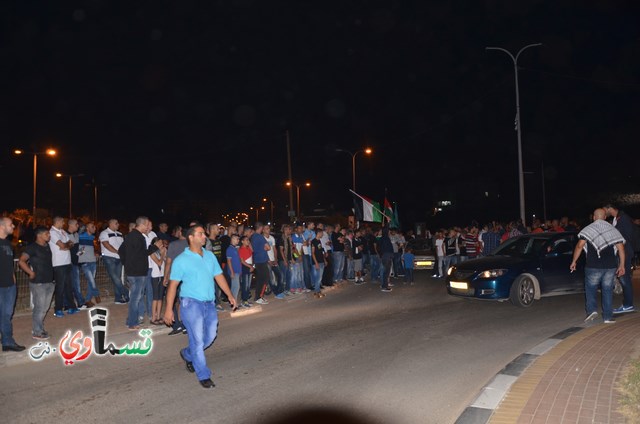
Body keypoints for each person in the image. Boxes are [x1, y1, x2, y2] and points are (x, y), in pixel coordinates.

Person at [163, 225, 237, 389]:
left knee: (210, 337)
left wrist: (230, 295)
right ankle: (203, 375)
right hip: (191, 304)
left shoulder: (210, 256)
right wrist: (168, 309)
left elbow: (218, 276)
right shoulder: (181, 260)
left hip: (209, 303)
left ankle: (187, 354)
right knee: (197, 340)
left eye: (204, 233)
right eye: (201, 234)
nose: (205, 236)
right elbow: (173, 286)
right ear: (191, 237)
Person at [570, 208, 626, 324]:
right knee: (607, 290)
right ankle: (607, 317)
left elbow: (580, 246)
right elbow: (621, 249)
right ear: (605, 217)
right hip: (610, 266)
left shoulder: (588, 230)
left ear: (594, 217)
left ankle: (591, 311)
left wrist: (574, 261)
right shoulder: (612, 230)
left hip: (593, 265)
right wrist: (622, 265)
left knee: (590, 289)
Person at [18, 226, 55, 340]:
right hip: (38, 283)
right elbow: (21, 261)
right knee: (39, 308)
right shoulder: (32, 247)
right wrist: (30, 273)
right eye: (47, 234)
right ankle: (37, 331)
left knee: (45, 308)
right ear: (39, 235)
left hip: (50, 281)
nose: (49, 236)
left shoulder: (47, 246)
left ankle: (38, 327)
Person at [119, 216, 151, 330]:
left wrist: (126, 263)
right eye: (147, 225)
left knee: (135, 297)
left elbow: (121, 250)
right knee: (135, 298)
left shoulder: (129, 236)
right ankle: (132, 323)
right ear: (142, 224)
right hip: (138, 273)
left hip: (133, 271)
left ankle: (131, 320)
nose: (148, 227)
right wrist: (152, 249)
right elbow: (141, 254)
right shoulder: (138, 237)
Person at [603, 204, 636, 314]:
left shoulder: (624, 218)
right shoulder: (616, 219)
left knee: (624, 278)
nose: (604, 213)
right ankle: (628, 304)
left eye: (604, 210)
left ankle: (628, 305)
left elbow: (627, 236)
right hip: (621, 251)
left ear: (609, 208)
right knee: (624, 278)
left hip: (625, 252)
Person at [0, 217, 24, 351]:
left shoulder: (8, 244)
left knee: (6, 313)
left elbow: (9, 263)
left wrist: (13, 277)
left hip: (10, 285)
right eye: (11, 224)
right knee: (4, 314)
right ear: (2, 226)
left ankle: (5, 338)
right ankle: (7, 341)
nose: (13, 226)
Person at [49, 216, 78, 317]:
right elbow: (62, 246)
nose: (64, 223)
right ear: (58, 221)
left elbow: (70, 244)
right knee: (60, 287)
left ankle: (71, 307)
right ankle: (58, 309)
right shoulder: (52, 232)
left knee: (68, 287)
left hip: (67, 262)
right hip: (58, 263)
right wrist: (65, 246)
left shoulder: (63, 232)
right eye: (63, 222)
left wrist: (66, 246)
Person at [164, 226, 188, 335]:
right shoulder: (190, 245)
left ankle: (176, 324)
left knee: (172, 300)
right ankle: (185, 325)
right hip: (188, 277)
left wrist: (165, 276)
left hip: (175, 277)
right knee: (184, 301)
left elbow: (168, 262)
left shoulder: (173, 244)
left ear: (180, 232)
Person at [99, 219, 129, 304]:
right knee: (115, 278)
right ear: (111, 224)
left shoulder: (120, 234)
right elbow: (106, 244)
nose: (118, 224)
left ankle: (118, 298)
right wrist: (117, 251)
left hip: (119, 258)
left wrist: (122, 253)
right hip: (109, 257)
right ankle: (127, 293)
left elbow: (123, 246)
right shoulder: (104, 233)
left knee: (117, 279)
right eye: (116, 223)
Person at [78, 221, 101, 307]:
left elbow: (87, 249)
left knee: (90, 282)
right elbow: (80, 250)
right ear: (87, 228)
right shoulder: (80, 236)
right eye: (92, 227)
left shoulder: (92, 237)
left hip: (92, 261)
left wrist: (94, 253)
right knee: (91, 281)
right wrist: (81, 255)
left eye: (94, 227)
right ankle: (96, 294)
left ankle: (88, 300)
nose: (94, 228)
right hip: (85, 262)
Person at [250, 222, 271, 305]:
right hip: (262, 260)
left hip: (257, 260)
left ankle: (258, 296)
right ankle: (259, 296)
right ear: (261, 228)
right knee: (265, 278)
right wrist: (265, 248)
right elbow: (268, 247)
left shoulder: (253, 236)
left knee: (260, 279)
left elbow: (253, 248)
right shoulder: (259, 236)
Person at [148, 237, 166, 325]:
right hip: (155, 276)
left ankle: (158, 316)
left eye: (161, 242)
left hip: (162, 275)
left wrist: (164, 254)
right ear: (155, 243)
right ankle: (153, 318)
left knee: (160, 297)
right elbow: (159, 262)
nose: (161, 244)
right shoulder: (151, 251)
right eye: (159, 242)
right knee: (155, 297)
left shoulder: (161, 251)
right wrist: (162, 255)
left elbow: (165, 262)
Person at [310, 228, 327, 298]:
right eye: (321, 233)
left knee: (319, 277)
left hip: (321, 261)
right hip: (317, 262)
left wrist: (324, 260)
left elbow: (320, 252)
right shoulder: (313, 241)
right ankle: (316, 292)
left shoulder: (319, 241)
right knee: (318, 278)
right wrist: (316, 262)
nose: (322, 234)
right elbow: (313, 253)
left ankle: (318, 292)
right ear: (318, 233)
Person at [238, 235, 254, 307]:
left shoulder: (248, 248)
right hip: (245, 267)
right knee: (245, 285)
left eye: (248, 240)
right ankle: (244, 300)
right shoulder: (241, 249)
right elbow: (242, 261)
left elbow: (252, 252)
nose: (248, 241)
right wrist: (250, 266)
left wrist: (252, 266)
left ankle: (246, 299)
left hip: (249, 266)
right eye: (246, 240)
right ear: (242, 241)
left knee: (248, 285)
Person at [226, 234, 241, 306]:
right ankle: (234, 303)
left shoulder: (234, 249)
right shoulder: (229, 249)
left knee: (234, 287)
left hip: (236, 271)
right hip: (234, 271)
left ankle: (232, 302)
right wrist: (232, 272)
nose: (238, 240)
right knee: (236, 287)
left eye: (238, 239)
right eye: (237, 239)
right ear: (232, 239)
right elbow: (229, 261)